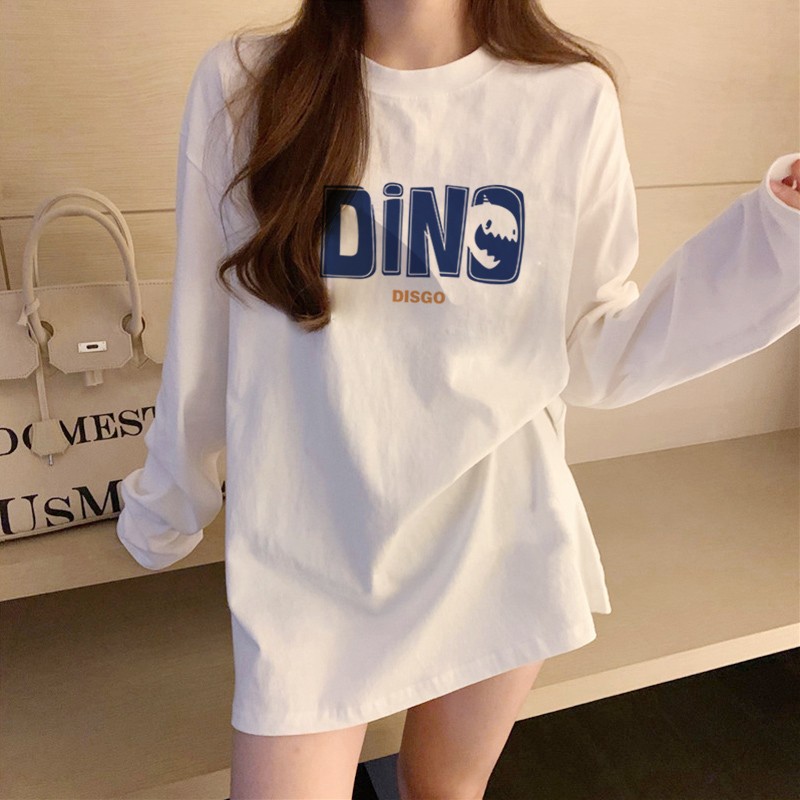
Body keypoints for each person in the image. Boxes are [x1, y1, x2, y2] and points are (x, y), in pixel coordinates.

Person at [115, 0, 800, 797]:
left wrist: (778, 233)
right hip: (310, 551)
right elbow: (206, 330)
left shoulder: (568, 98)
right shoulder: (245, 85)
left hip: (495, 534)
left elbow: (593, 353)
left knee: (442, 790)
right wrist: (170, 501)